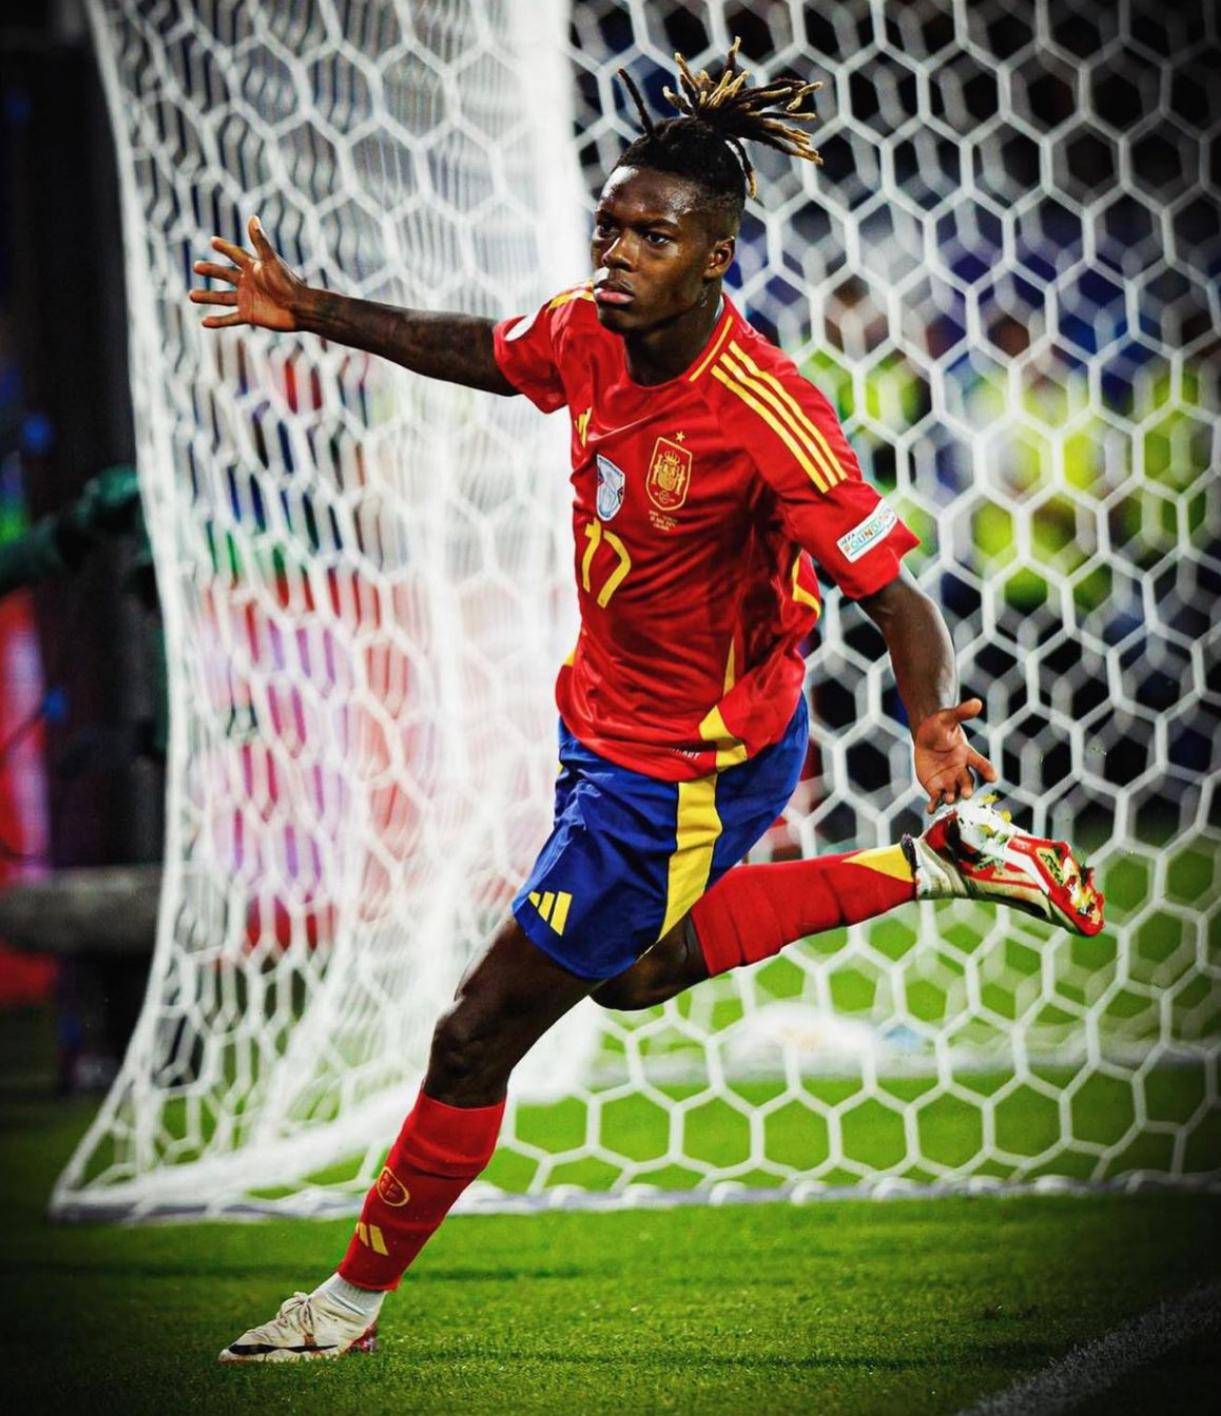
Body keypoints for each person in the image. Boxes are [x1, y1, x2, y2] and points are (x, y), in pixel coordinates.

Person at [191, 43, 1103, 1363]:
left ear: (715, 256)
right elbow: (477, 350)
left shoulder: (766, 413)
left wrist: (930, 721)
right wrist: (310, 309)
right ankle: (931, 867)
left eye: (651, 236)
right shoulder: (587, 330)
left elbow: (897, 596)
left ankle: (342, 1308)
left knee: (473, 1036)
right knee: (626, 974)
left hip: (684, 766)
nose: (617, 254)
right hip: (607, 723)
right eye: (610, 226)